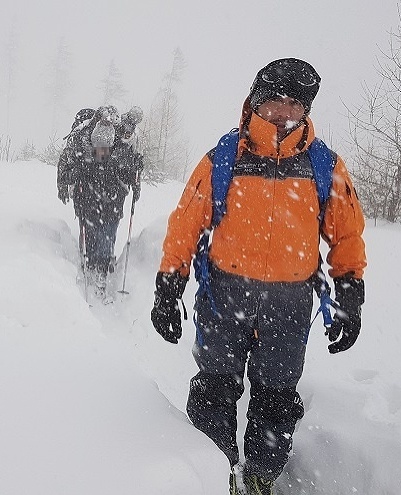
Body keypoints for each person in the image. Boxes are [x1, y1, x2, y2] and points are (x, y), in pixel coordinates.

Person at [150, 58, 366, 495]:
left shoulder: (325, 166)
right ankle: (216, 471)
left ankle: (262, 477)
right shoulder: (224, 158)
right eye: (275, 101)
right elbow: (185, 224)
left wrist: (350, 294)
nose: (284, 111)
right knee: (214, 389)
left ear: (305, 110)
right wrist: (168, 289)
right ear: (256, 103)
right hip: (224, 298)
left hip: (289, 306)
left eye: (295, 103)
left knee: (277, 397)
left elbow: (347, 233)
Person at [57, 105, 143, 300]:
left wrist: (135, 182)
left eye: (105, 150)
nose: (101, 154)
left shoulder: (122, 145)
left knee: (107, 236)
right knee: (92, 235)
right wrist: (66, 181)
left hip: (112, 200)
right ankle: (90, 263)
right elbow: (67, 164)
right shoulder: (82, 143)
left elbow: (131, 169)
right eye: (98, 150)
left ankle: (101, 271)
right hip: (88, 199)